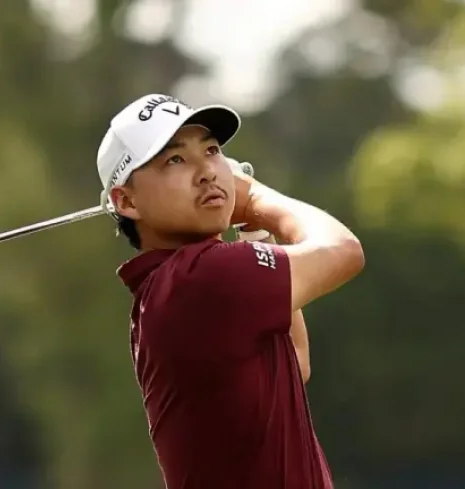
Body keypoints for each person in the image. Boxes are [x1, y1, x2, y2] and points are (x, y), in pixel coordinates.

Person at [95, 93, 365, 489]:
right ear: (126, 200)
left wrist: (252, 226)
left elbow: (295, 361)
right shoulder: (200, 278)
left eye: (211, 150)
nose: (207, 171)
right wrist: (254, 196)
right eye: (175, 160)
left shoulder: (175, 286)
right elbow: (343, 251)